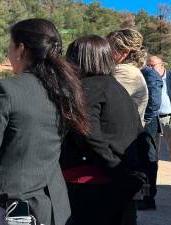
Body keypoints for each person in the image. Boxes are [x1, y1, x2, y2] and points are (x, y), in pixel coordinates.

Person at [0, 18, 89, 225]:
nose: (9, 54)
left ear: (21, 49)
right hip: (55, 203)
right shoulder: (66, 90)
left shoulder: (5, 89)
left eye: (10, 47)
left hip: (15, 206)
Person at [62, 35, 143, 225]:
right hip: (120, 184)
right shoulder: (118, 89)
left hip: (91, 184)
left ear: (78, 60)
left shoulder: (88, 88)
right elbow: (139, 135)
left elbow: (88, 134)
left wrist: (114, 167)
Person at [140, 55, 171, 209]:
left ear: (162, 65)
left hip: (169, 119)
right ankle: (149, 194)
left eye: (153, 65)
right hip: (152, 120)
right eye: (148, 66)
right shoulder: (145, 77)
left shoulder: (169, 77)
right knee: (151, 157)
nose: (151, 69)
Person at [106, 29, 148, 125]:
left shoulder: (125, 73)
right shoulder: (128, 70)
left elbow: (104, 102)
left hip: (124, 136)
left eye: (108, 47)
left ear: (124, 52)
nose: (104, 51)